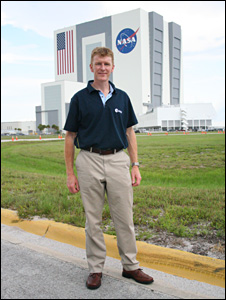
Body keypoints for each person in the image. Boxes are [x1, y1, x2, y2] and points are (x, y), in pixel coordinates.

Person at [64, 47, 154, 290]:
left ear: (112, 67)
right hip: (89, 160)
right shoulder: (79, 99)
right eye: (98, 64)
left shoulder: (122, 97)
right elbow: (71, 136)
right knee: (92, 220)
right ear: (91, 67)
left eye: (106, 64)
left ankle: (130, 265)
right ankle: (95, 269)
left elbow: (130, 132)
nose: (102, 68)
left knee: (124, 217)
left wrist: (135, 165)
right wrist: (70, 173)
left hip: (117, 160)